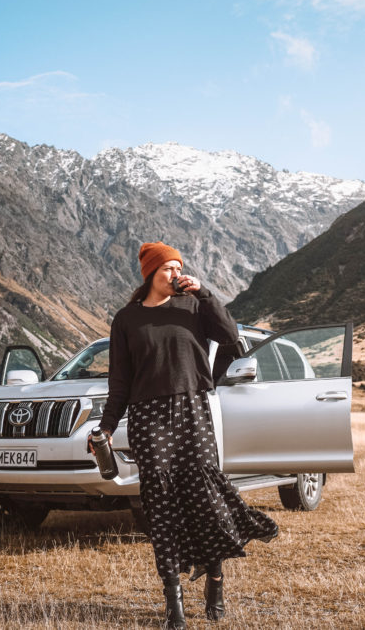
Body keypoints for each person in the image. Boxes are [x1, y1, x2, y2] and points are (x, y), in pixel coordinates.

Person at [90, 241, 278, 629]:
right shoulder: (126, 319)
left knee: (205, 499)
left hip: (193, 410)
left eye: (179, 267)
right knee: (160, 505)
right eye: (167, 268)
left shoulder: (193, 307)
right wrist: (106, 427)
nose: (175, 273)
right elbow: (120, 382)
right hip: (148, 417)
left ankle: (215, 581)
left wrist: (204, 292)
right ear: (150, 273)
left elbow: (229, 335)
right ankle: (173, 602)